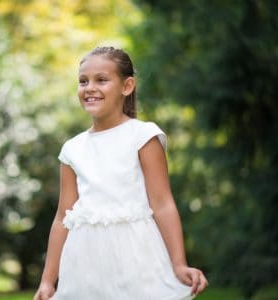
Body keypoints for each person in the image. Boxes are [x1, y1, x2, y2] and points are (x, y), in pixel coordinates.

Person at [33, 46, 208, 300]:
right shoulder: (72, 149)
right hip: (84, 267)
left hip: (137, 259)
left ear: (127, 86)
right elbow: (62, 217)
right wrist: (48, 281)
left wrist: (179, 264)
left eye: (101, 80)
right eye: (83, 81)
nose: (89, 87)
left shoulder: (143, 136)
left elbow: (162, 203)